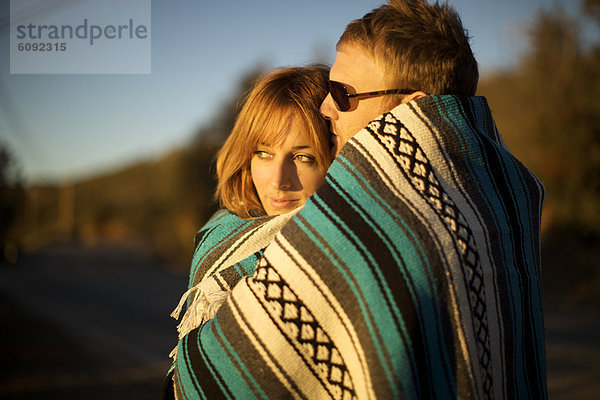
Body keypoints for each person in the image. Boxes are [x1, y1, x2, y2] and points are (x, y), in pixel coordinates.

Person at [168, 1, 547, 399]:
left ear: (410, 108)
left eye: (343, 94)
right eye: (263, 152)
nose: (327, 107)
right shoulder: (499, 197)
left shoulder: (380, 224)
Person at [165, 65, 332, 366]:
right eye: (263, 153)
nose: (278, 180)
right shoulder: (223, 236)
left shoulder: (350, 253)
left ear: (335, 160)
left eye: (303, 157)